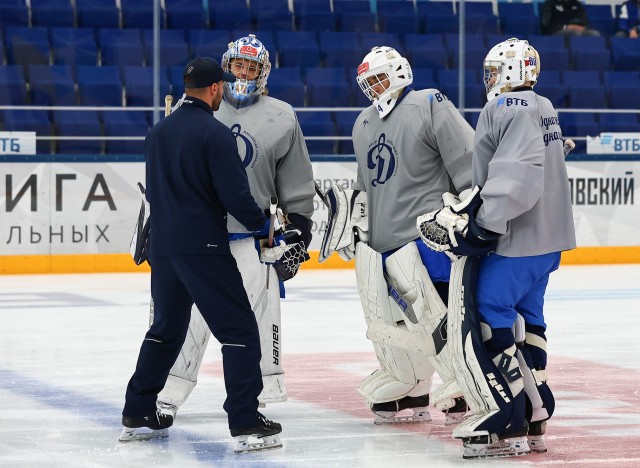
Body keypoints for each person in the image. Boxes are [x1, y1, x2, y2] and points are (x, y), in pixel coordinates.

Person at [418, 38, 576, 459]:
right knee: (529, 319)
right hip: (545, 243)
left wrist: (484, 226)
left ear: (511, 71)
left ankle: (505, 416)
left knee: (486, 315)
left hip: (516, 240)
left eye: (493, 69)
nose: (489, 78)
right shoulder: (543, 106)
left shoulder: (507, 108)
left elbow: (516, 174)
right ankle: (536, 411)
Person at [120, 57, 282, 452]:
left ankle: (139, 409)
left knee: (166, 330)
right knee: (240, 331)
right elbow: (235, 196)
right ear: (214, 89)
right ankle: (245, 420)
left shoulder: (157, 132)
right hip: (204, 249)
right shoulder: (214, 133)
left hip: (164, 248)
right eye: (222, 86)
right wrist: (265, 226)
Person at [156, 35, 315, 417]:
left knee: (255, 319)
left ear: (263, 73)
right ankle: (169, 394)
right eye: (237, 66)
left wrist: (299, 224)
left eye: (251, 67)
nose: (243, 73)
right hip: (198, 236)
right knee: (188, 319)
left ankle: (255, 397)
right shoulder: (193, 110)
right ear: (224, 70)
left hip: (253, 237)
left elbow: (294, 178)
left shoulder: (282, 115)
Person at [319, 46, 474, 425]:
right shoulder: (362, 123)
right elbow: (364, 186)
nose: (375, 88)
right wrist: (354, 228)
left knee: (437, 316)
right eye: (367, 82)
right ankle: (412, 386)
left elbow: (467, 160)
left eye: (379, 78)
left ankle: (465, 384)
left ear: (401, 71)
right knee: (395, 324)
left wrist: (470, 214)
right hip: (383, 242)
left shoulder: (429, 103)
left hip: (428, 238)